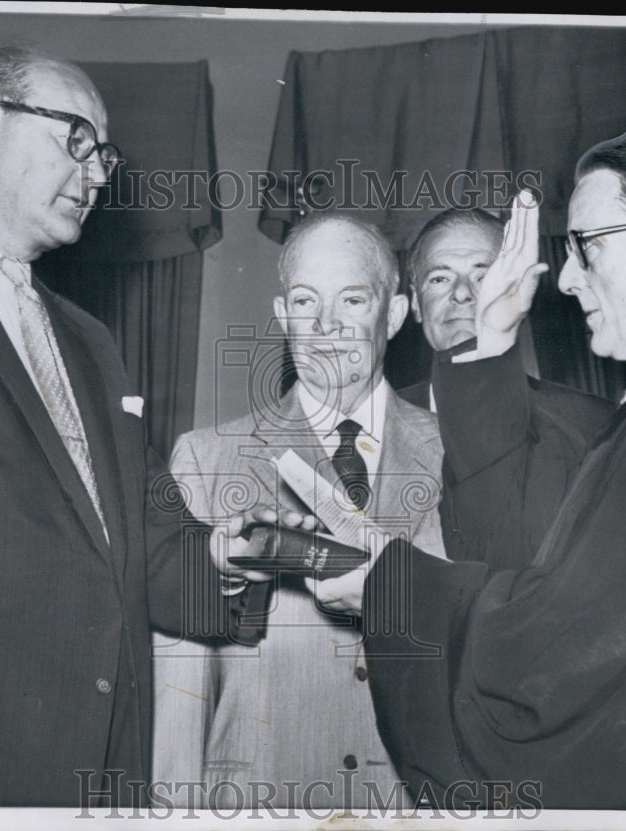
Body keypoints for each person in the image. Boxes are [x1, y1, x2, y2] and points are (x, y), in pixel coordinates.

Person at [0, 46, 302, 807]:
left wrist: (223, 555)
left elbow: (143, 540)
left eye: (104, 152)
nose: (101, 172)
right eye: (76, 138)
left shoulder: (93, 343)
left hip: (96, 774)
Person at [311, 128, 626, 809]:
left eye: (588, 247)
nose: (565, 280)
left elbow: (559, 658)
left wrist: (391, 585)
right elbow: (537, 577)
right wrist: (492, 343)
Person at [152, 214, 446, 809]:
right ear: (284, 317)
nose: (328, 326)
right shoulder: (207, 459)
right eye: (307, 302)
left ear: (392, 315)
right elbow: (180, 695)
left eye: (353, 299)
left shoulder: (460, 457)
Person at [401, 207, 612, 571]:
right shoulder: (366, 427)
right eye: (439, 278)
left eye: (484, 276)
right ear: (416, 304)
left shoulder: (597, 429)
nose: (463, 294)